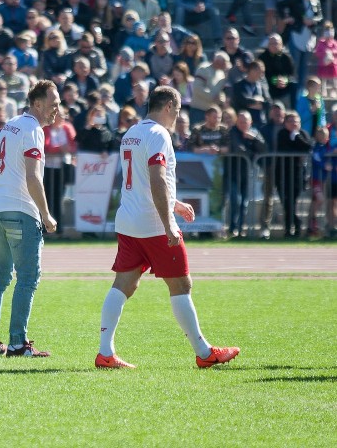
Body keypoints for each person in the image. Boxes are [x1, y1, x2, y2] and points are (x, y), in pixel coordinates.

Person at [95, 86, 240, 369]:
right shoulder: (159, 134)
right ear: (170, 107)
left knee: (123, 284)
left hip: (129, 221)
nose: (177, 116)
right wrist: (168, 223)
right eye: (178, 110)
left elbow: (142, 181)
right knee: (181, 284)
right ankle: (204, 352)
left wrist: (175, 203)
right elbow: (157, 178)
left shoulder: (132, 133)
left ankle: (105, 352)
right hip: (153, 225)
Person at [0, 80, 60, 357]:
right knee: (27, 278)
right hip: (20, 210)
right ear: (37, 103)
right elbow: (32, 176)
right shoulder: (32, 129)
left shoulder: (12, 124)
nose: (56, 110)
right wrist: (46, 214)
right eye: (53, 104)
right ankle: (17, 343)